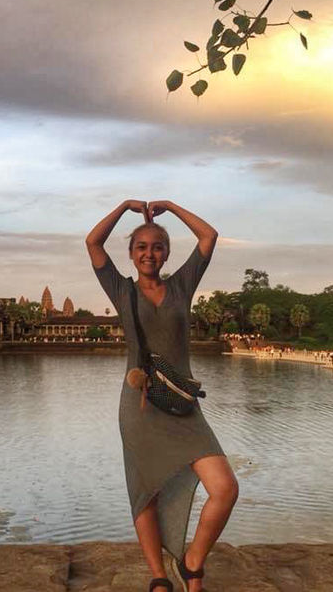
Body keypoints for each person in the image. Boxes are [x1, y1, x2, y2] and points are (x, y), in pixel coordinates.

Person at [85, 199, 238, 592]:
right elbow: (93, 243)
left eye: (157, 246)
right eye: (141, 247)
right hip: (139, 407)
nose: (149, 253)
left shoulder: (182, 285)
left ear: (167, 253)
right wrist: (124, 208)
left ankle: (191, 564)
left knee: (224, 488)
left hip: (183, 404)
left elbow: (208, 236)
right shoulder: (121, 290)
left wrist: (170, 206)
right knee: (145, 491)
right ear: (132, 255)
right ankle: (158, 576)